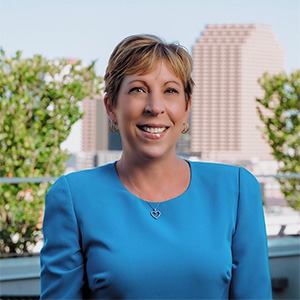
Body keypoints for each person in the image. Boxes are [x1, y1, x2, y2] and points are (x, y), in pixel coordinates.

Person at [40, 34, 272, 299]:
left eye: (170, 90)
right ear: (111, 107)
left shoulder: (237, 189)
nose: (155, 107)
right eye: (138, 89)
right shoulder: (72, 196)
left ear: (186, 107)